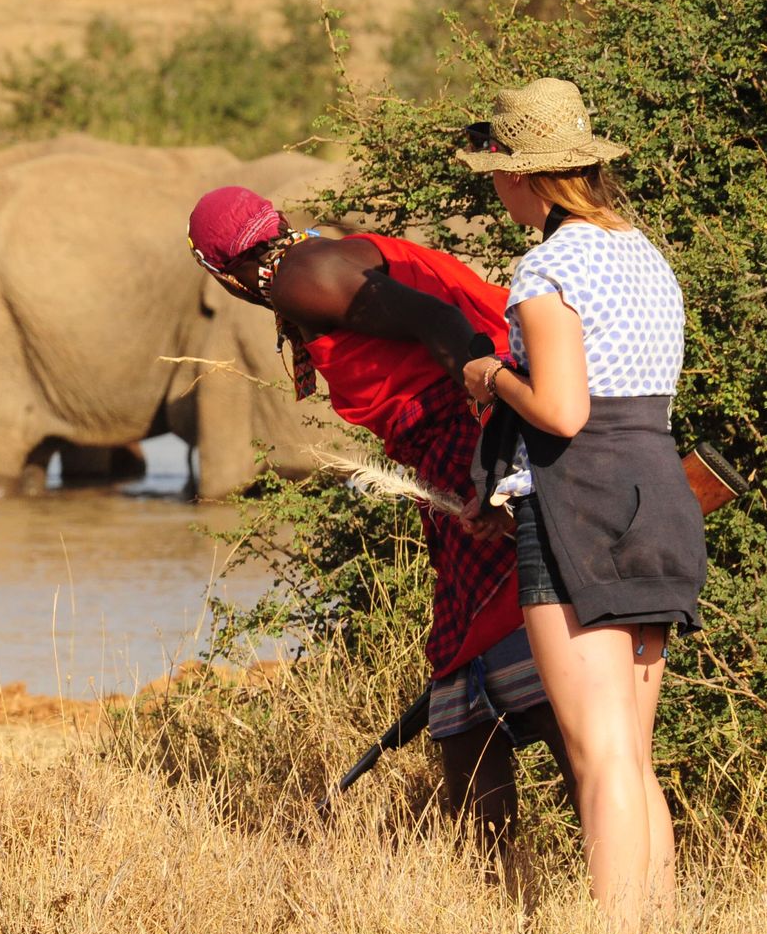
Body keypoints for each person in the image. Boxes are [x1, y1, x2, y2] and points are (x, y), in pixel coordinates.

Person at [185, 184, 575, 885]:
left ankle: (602, 853)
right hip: (457, 449)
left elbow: (439, 322)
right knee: (461, 665)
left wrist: (487, 461)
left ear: (218, 271)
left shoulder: (301, 278)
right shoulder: (308, 270)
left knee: (499, 644)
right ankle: (493, 883)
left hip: (466, 445)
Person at [455, 77, 707, 934]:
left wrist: (491, 376)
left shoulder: (547, 268)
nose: (497, 188)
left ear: (527, 179)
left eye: (498, 173)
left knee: (597, 758)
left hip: (579, 501)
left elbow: (562, 411)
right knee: (632, 756)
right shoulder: (644, 253)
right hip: (658, 491)